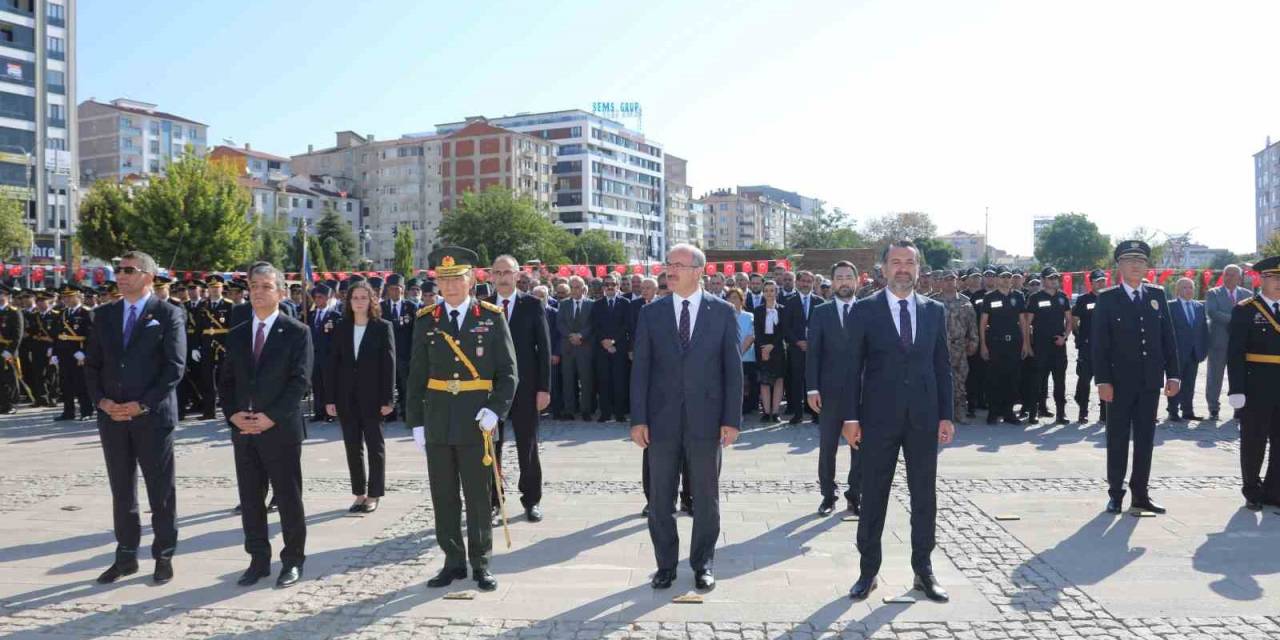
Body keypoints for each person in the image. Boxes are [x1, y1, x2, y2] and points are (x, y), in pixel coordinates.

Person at [843, 240, 954, 604]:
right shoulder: (863, 310)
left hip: (923, 418)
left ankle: (923, 570)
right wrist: (850, 418)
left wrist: (946, 415)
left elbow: (942, 366)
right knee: (873, 496)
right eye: (896, 262)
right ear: (883, 268)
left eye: (909, 262)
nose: (903, 268)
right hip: (876, 420)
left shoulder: (934, 311)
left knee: (924, 496)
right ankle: (868, 571)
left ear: (919, 269)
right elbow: (849, 370)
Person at [630, 242, 742, 592]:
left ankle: (703, 563)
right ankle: (665, 565)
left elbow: (732, 370)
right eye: (668, 264)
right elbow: (641, 371)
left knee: (706, 497)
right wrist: (638, 419)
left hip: (707, 421)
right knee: (660, 497)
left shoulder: (722, 312)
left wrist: (732, 420)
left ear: (698, 271)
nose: (670, 271)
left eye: (678, 265)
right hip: (661, 422)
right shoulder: (652, 313)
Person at [407, 247, 517, 593]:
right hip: (438, 419)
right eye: (444, 279)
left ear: (471, 279)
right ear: (436, 282)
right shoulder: (426, 319)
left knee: (478, 496)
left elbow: (509, 373)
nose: (450, 285)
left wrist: (494, 409)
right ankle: (452, 561)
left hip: (476, 420)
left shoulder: (491, 316)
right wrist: (417, 422)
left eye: (457, 278)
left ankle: (481, 562)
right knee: (443, 495)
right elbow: (415, 375)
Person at [83, 251, 186, 585]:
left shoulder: (168, 314)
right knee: (122, 491)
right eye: (118, 270)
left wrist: (142, 404)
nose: (121, 276)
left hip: (151, 417)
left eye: (128, 270)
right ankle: (126, 555)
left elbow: (174, 367)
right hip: (112, 417)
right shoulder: (104, 315)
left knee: (161, 492)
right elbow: (93, 365)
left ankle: (164, 555)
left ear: (148, 276)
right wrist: (102, 401)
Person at [219, 262, 313, 588]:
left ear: (281, 292)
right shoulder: (238, 332)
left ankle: (293, 560)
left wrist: (270, 416)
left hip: (280, 429)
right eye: (253, 286)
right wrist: (232, 414)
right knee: (250, 498)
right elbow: (226, 381)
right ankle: (258, 560)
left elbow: (299, 382)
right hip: (243, 430)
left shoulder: (297, 332)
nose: (258, 292)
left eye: (266, 286)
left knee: (288, 497)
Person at [1093, 240, 1180, 516]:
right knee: (1117, 438)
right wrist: (1102, 380)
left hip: (1149, 382)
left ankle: (1140, 493)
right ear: (1118, 266)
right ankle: (1116, 493)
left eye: (1140, 261)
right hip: (1118, 383)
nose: (1135, 266)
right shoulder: (1107, 299)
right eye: (1129, 261)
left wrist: (1174, 374)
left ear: (1146, 267)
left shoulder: (1156, 295)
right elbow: (1100, 345)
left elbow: (1168, 339)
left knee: (1145, 438)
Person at [487, 255, 552, 523]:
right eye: (497, 272)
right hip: (490, 389)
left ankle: (531, 500)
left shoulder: (532, 305)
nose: (502, 277)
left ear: (517, 276)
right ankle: (492, 500)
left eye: (507, 272)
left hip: (526, 388)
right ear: (491, 276)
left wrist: (544, 389)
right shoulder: (482, 307)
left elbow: (544, 350)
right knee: (490, 447)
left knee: (528, 444)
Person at [325, 280, 395, 514]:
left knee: (375, 447)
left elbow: (389, 366)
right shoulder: (341, 327)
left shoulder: (382, 327)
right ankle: (359, 494)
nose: (359, 302)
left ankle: (374, 494)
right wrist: (330, 398)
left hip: (374, 398)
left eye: (364, 297)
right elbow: (332, 364)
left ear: (371, 300)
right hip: (346, 397)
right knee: (352, 447)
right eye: (355, 297)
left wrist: (388, 399)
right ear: (349, 301)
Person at [805, 261, 862, 517]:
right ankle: (828, 495)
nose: (844, 282)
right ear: (831, 282)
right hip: (829, 393)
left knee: (860, 445)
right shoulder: (821, 312)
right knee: (828, 446)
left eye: (848, 277)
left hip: (862, 393)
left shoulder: (868, 311)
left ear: (857, 280)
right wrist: (812, 388)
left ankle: (856, 495)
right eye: (839, 277)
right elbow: (813, 353)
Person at [1226, 255, 1280, 510]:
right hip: (1256, 385)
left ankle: (1274, 489)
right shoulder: (1246, 309)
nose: (1279, 283)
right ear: (1262, 279)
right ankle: (1252, 489)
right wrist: (1236, 389)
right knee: (1254, 441)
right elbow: (1235, 353)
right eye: (1274, 278)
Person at [1023, 268, 1072, 424]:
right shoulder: (1035, 297)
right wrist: (1027, 344)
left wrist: (1064, 337)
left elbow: (1069, 321)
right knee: (1037, 381)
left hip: (1058, 346)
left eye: (1056, 278)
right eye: (1050, 278)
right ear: (1043, 280)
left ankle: (1061, 413)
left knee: (1060, 382)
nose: (1054, 280)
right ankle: (1034, 412)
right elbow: (1026, 323)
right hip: (1040, 346)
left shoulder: (1063, 297)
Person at [979, 267, 1025, 425]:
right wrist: (983, 345)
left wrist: (1025, 343)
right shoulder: (990, 297)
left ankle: (1009, 412)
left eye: (1009, 276)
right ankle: (993, 412)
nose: (1006, 279)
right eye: (1003, 276)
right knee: (994, 379)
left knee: (1012, 379)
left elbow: (1023, 321)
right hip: (995, 343)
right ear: (997, 279)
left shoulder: (1018, 296)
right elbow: (983, 323)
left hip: (1014, 343)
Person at [933, 270, 978, 424]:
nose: (949, 282)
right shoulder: (933, 302)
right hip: (939, 349)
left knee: (960, 381)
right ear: (941, 282)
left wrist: (973, 342)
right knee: (940, 381)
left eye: (952, 279)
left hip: (959, 348)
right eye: (946, 279)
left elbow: (972, 325)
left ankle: (960, 412)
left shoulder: (965, 302)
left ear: (957, 281)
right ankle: (942, 415)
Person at [1205, 264, 1247, 421]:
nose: (1229, 277)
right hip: (1219, 343)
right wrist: (1237, 320)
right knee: (1214, 377)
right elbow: (1213, 313)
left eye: (1233, 274)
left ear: (1239, 277)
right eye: (1227, 274)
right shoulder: (1213, 293)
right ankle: (1213, 408)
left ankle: (1238, 408)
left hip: (1240, 345)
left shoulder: (1247, 294)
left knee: (1238, 377)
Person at [590, 274, 631, 423]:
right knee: (604, 381)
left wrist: (613, 341)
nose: (609, 287)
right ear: (603, 287)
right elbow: (595, 325)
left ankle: (620, 414)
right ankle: (605, 413)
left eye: (612, 284)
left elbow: (626, 325)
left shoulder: (625, 303)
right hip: (602, 349)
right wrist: (604, 342)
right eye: (606, 284)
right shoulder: (597, 304)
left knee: (619, 381)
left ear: (618, 285)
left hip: (619, 348)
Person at [784, 271, 823, 424]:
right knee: (797, 381)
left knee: (814, 381)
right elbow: (786, 327)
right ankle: (798, 414)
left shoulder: (820, 302)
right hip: (796, 348)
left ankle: (816, 414)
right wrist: (797, 341)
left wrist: (813, 343)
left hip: (815, 350)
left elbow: (823, 328)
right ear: (798, 283)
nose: (806, 284)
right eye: (803, 281)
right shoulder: (789, 301)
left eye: (809, 281)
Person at [1167, 277, 1208, 422]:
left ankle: (1188, 411)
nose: (1188, 290)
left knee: (1190, 383)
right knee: (1174, 382)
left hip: (1194, 352)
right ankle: (1172, 411)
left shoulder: (1199, 307)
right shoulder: (1170, 306)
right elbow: (1167, 331)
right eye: (1185, 287)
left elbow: (1203, 330)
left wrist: (1204, 350)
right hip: (1177, 353)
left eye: (1191, 287)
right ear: (1178, 290)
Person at [380, 274, 420, 420]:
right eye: (391, 289)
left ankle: (406, 412)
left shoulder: (411, 307)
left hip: (405, 354)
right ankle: (390, 414)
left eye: (398, 289)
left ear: (403, 290)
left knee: (405, 386)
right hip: (387, 354)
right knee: (388, 386)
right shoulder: (381, 307)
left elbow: (416, 332)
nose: (395, 292)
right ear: (388, 290)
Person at [1071, 270, 1108, 423]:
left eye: (1103, 281)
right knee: (1084, 380)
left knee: (1105, 380)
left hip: (1106, 347)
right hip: (1088, 347)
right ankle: (1083, 412)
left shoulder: (1109, 298)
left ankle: (1104, 413)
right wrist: (1079, 337)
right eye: (1098, 281)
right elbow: (1074, 320)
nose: (1101, 283)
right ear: (1091, 283)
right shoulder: (1083, 299)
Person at [53, 285, 94, 421]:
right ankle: (68, 411)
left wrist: (84, 353)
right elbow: (57, 335)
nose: (66, 299)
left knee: (81, 384)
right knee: (65, 384)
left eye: (70, 296)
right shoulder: (62, 313)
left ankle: (86, 411)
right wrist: (54, 353)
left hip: (79, 355)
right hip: (64, 354)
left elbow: (92, 336)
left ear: (79, 296)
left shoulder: (86, 312)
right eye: (64, 297)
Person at [556, 276, 594, 420]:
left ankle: (586, 410)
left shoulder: (591, 304)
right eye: (572, 287)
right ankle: (569, 410)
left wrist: (581, 336)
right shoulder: (564, 304)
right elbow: (560, 323)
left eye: (577, 287)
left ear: (584, 288)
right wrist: (571, 335)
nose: (574, 290)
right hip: (568, 347)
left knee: (586, 380)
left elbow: (592, 324)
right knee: (568, 380)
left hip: (585, 347)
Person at [194, 275, 232, 420]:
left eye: (217, 287)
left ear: (222, 288)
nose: (214, 290)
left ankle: (229, 412)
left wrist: (231, 347)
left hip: (223, 346)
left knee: (225, 379)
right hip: (206, 345)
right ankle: (209, 412)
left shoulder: (229, 305)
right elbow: (198, 328)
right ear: (208, 289)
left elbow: (233, 328)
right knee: (207, 380)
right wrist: (195, 347)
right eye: (211, 287)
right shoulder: (202, 306)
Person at [753, 280, 787, 422]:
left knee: (778, 380)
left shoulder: (783, 309)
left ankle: (775, 412)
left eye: (772, 290)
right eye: (766, 290)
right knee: (764, 381)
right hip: (762, 347)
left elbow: (783, 330)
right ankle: (766, 413)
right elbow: (757, 331)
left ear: (776, 292)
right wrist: (764, 348)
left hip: (778, 348)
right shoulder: (758, 310)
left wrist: (772, 346)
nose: (769, 293)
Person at [307, 284, 338, 423]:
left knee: (329, 385)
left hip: (328, 356)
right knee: (317, 385)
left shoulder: (335, 315)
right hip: (314, 355)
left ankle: (330, 412)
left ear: (328, 298)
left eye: (321, 297)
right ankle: (319, 412)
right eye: (316, 297)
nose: (318, 300)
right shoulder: (310, 314)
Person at [727, 287, 758, 418]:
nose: (732, 301)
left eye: (735, 298)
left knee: (747, 383)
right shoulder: (724, 316)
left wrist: (739, 352)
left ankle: (748, 407)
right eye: (729, 298)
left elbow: (751, 335)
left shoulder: (749, 316)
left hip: (747, 356)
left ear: (741, 300)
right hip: (729, 356)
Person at [0, 284, 23, 414]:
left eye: (1, 294)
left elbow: (18, 334)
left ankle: (11, 404)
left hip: (8, 349)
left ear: (7, 296)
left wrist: (10, 351)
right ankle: (2, 403)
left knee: (10, 378)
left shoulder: (14, 312)